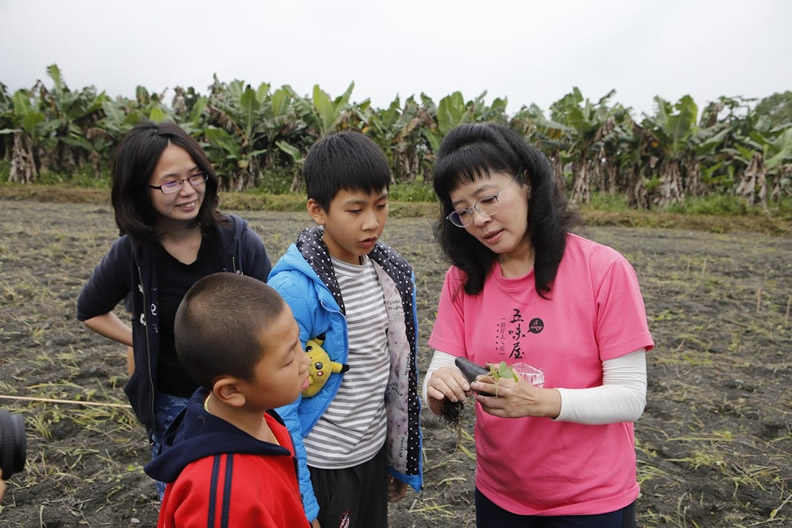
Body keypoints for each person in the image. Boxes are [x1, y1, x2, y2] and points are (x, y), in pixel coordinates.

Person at [423, 123, 654, 528]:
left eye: (489, 199)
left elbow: (631, 396)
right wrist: (438, 387)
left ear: (526, 182)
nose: (479, 220)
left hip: (588, 501)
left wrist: (543, 403)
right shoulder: (461, 280)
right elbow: (442, 368)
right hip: (499, 493)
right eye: (462, 211)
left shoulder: (603, 270)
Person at [76, 121, 272, 496]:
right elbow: (90, 310)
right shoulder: (131, 254)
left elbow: (274, 306)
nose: (187, 191)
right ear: (140, 190)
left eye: (195, 176)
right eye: (170, 182)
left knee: (247, 493)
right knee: (190, 497)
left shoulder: (236, 240)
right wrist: (137, 339)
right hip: (173, 406)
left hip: (244, 396)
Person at [267, 131, 423, 528]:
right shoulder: (295, 289)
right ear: (318, 210)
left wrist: (397, 461)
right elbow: (279, 404)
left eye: (381, 205)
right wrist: (302, 498)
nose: (372, 223)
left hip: (371, 455)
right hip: (324, 464)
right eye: (355, 210)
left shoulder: (390, 275)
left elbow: (394, 375)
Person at [144, 273, 311, 527]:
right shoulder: (219, 496)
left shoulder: (259, 416)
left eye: (298, 343)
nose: (305, 361)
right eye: (288, 360)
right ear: (231, 391)